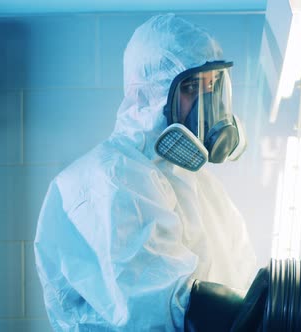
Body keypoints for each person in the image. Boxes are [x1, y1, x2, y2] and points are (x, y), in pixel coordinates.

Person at [34, 14, 258, 331]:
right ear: (149, 94)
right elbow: (168, 308)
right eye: (192, 88)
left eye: (213, 86)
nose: (207, 105)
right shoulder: (110, 178)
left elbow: (240, 281)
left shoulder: (200, 184)